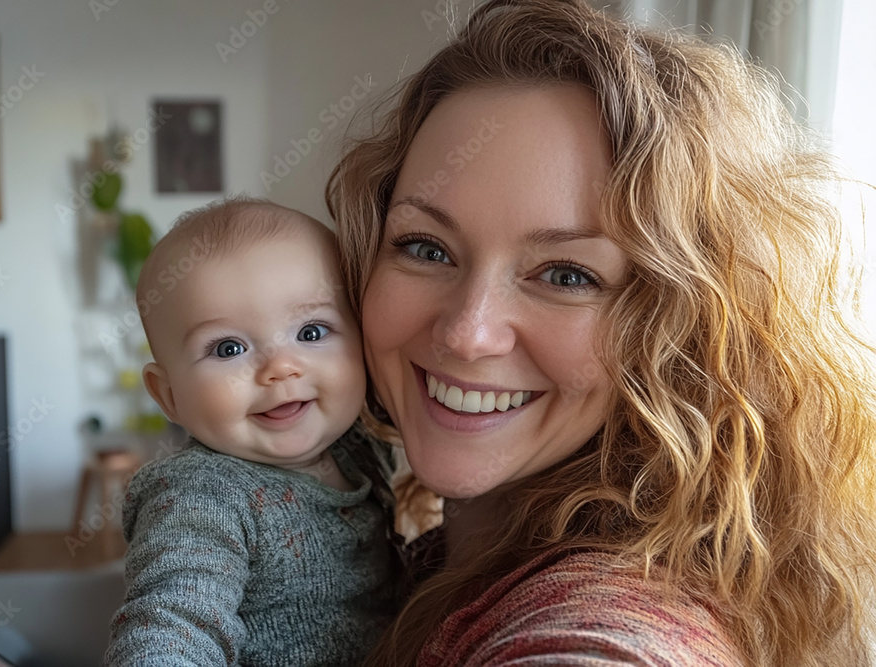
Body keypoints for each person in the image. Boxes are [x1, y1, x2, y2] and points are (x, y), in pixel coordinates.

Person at [326, 0, 876, 665]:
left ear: (679, 325)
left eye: (565, 274)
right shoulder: (422, 558)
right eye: (427, 248)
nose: (468, 332)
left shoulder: (610, 620)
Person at [100, 197, 400, 665]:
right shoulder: (202, 498)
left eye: (312, 332)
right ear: (170, 396)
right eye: (228, 348)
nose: (280, 368)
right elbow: (173, 622)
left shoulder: (356, 438)